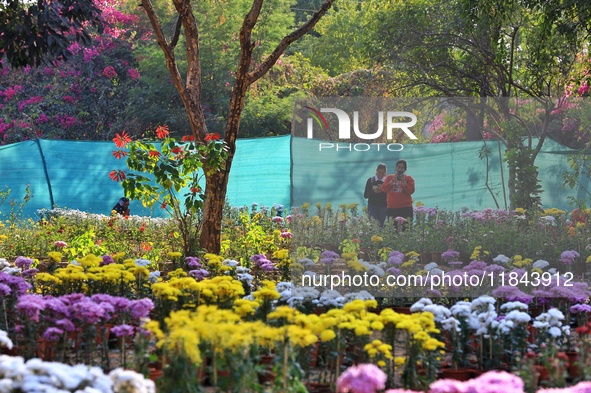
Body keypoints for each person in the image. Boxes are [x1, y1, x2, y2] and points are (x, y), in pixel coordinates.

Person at [381, 159, 415, 229]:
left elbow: (411, 191)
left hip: (406, 207)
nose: (400, 169)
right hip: (392, 207)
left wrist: (404, 183)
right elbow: (384, 188)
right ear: (396, 167)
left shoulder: (409, 178)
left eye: (402, 168)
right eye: (398, 167)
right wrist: (393, 180)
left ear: (405, 169)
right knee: (393, 229)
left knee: (406, 229)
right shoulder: (389, 177)